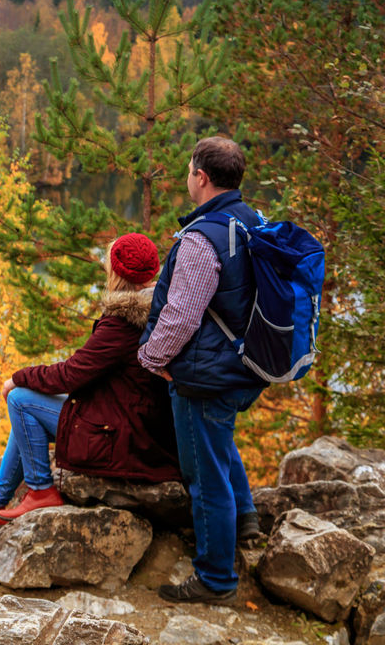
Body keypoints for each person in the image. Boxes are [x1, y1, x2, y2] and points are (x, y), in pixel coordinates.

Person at [0, 232, 181, 531]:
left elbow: (71, 374)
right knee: (26, 414)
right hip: (136, 423)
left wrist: (18, 377)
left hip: (125, 436)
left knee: (20, 400)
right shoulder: (163, 308)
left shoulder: (125, 321)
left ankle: (40, 490)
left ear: (116, 272)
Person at [139, 136, 267, 604]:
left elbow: (181, 316)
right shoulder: (251, 222)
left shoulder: (201, 239)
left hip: (205, 377)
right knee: (221, 441)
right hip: (244, 366)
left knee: (205, 477)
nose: (187, 177)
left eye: (189, 169)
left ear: (201, 176)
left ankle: (215, 580)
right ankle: (247, 520)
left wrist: (151, 359)